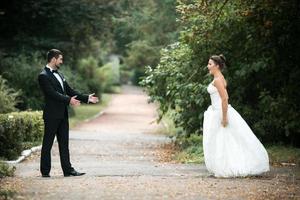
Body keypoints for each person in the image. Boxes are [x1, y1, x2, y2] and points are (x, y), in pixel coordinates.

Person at [203, 54, 269, 177]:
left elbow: (224, 99)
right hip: (216, 111)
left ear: (217, 66)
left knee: (224, 139)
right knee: (223, 140)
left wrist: (224, 117)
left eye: (210, 64)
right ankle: (223, 164)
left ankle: (229, 166)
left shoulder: (218, 80)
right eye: (208, 64)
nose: (208, 66)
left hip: (220, 112)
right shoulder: (219, 78)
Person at [38, 49, 99, 177]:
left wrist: (86, 98)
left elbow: (70, 90)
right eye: (60, 59)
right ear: (53, 59)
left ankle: (68, 170)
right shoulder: (43, 75)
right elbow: (52, 94)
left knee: (64, 144)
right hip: (51, 115)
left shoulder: (59, 75)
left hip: (63, 114)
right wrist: (68, 100)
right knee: (47, 144)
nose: (62, 61)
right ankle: (45, 172)